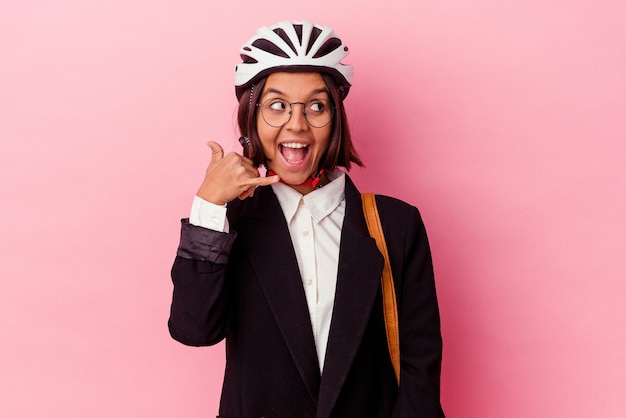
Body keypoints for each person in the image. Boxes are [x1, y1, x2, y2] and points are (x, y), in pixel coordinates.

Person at [168, 20, 445, 418]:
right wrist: (209, 206)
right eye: (277, 105)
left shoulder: (396, 225)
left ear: (335, 118)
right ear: (252, 117)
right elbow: (194, 330)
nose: (297, 124)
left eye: (316, 106)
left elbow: (420, 368)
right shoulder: (229, 224)